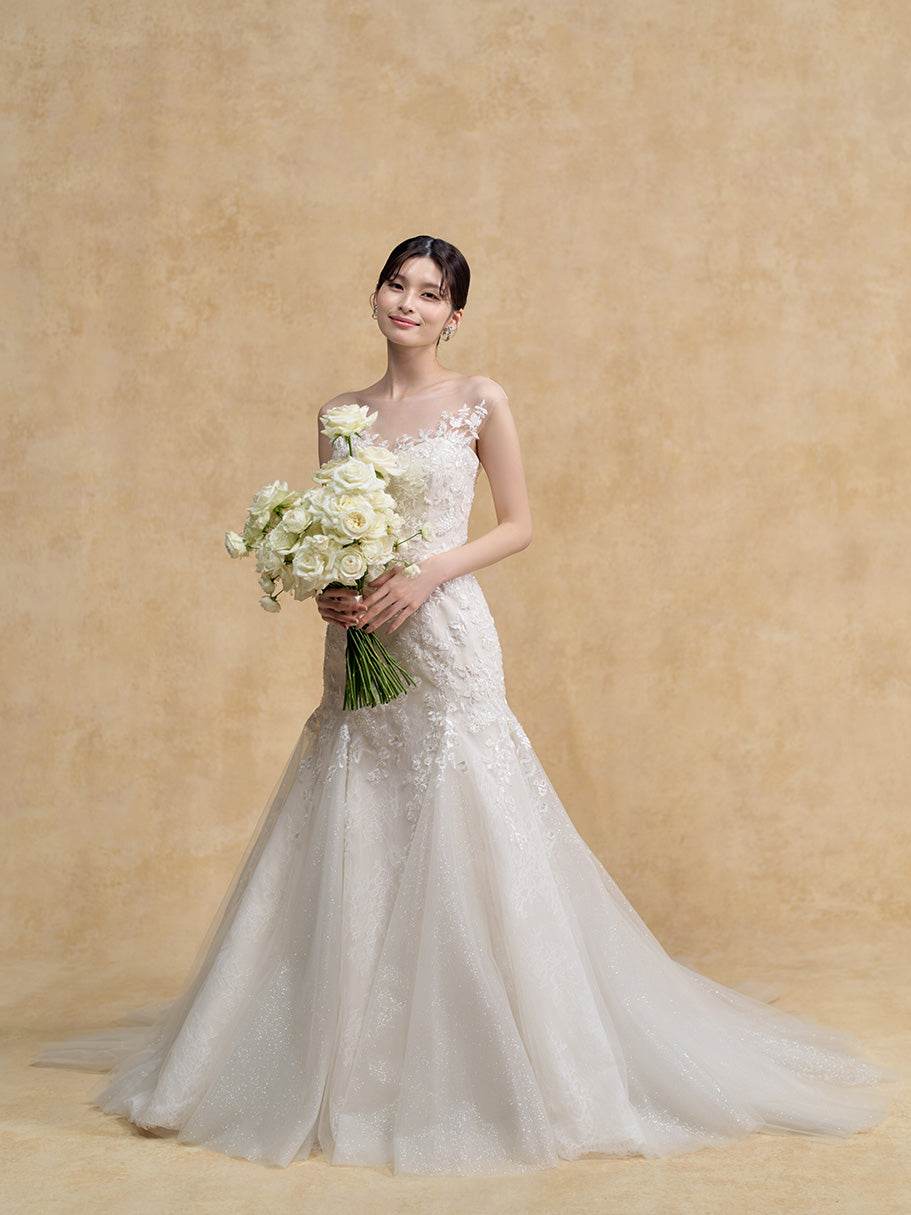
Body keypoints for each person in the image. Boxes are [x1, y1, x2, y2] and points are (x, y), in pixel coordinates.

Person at [34, 236, 891, 1175]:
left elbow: (518, 524)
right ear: (375, 295)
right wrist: (332, 591)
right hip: (363, 637)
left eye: (430, 293)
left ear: (453, 316)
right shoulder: (339, 414)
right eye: (395, 284)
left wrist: (427, 573)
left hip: (444, 631)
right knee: (355, 799)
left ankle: (496, 1055)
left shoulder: (480, 397)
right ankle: (333, 1052)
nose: (407, 302)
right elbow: (330, 531)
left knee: (469, 803)